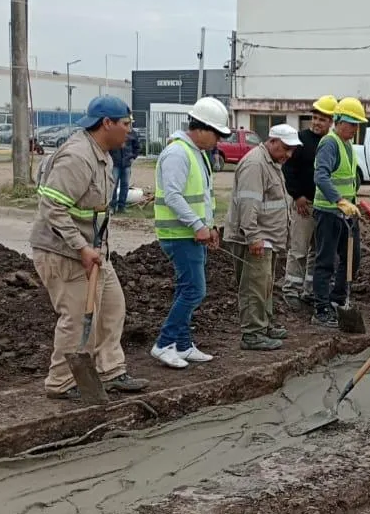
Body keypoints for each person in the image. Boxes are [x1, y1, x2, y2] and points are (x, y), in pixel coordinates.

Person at [30, 95, 149, 401]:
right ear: (106, 123)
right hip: (64, 252)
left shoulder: (103, 154)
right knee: (75, 318)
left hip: (93, 252)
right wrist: (81, 247)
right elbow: (52, 206)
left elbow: (94, 210)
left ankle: (110, 371)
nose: (129, 131)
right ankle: (60, 382)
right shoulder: (78, 157)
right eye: (125, 124)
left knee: (112, 307)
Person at [150, 97, 229, 369]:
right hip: (179, 235)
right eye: (217, 133)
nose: (218, 140)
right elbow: (172, 196)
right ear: (202, 128)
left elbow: (202, 197)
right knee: (195, 290)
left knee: (187, 288)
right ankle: (164, 343)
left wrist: (209, 226)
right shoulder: (178, 153)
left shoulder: (196, 153)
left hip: (191, 234)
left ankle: (182, 344)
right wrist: (197, 225)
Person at [224, 123, 300, 350]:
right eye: (285, 148)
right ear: (272, 141)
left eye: (292, 150)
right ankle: (252, 333)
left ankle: (264, 325)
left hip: (268, 236)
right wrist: (253, 236)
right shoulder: (255, 164)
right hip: (256, 237)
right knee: (253, 287)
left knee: (264, 285)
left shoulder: (271, 162)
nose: (288, 155)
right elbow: (249, 203)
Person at [311, 97, 366, 328]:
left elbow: (349, 178)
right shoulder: (330, 143)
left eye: (357, 125)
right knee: (325, 261)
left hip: (345, 214)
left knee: (352, 258)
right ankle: (321, 309)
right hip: (328, 212)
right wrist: (340, 200)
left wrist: (352, 203)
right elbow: (320, 176)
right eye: (352, 124)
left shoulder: (347, 145)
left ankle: (337, 300)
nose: (355, 129)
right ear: (340, 121)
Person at [281, 95, 336, 309]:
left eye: (322, 119)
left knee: (317, 251)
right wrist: (297, 196)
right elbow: (288, 170)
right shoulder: (300, 140)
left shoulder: (330, 144)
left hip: (324, 207)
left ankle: (310, 290)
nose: (316, 123)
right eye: (314, 118)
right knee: (299, 250)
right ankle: (291, 290)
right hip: (304, 205)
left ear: (330, 122)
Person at [111, 125, 139, 213]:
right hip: (115, 163)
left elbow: (137, 147)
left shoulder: (132, 133)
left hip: (126, 164)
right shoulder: (113, 132)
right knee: (113, 186)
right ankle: (112, 206)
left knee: (125, 185)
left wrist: (133, 157)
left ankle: (121, 207)